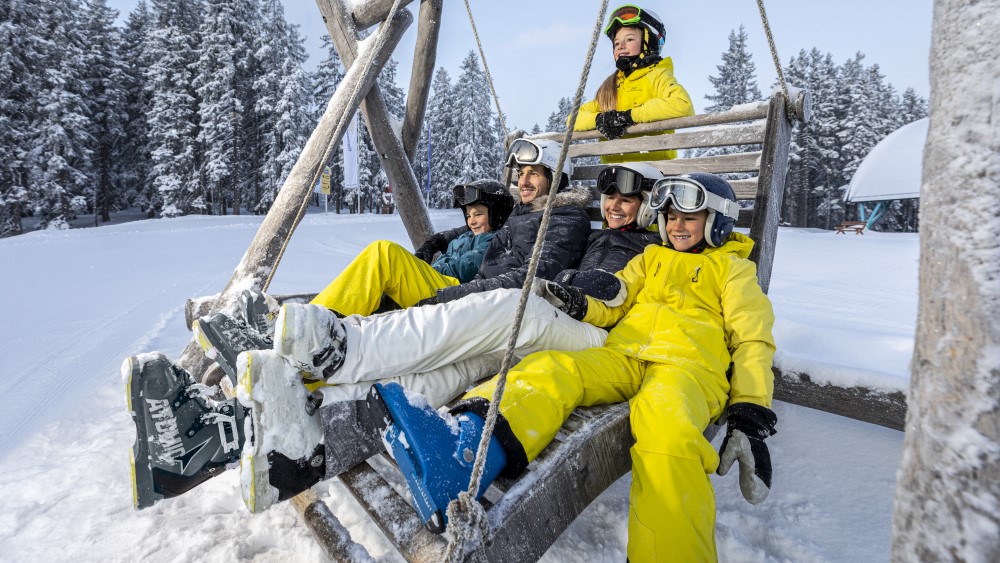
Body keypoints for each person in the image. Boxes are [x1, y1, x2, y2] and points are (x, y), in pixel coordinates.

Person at [125, 138, 594, 510]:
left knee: (417, 360)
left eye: (536, 173)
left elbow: (536, 274)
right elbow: (473, 243)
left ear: (557, 177)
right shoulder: (521, 216)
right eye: (523, 173)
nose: (526, 181)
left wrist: (448, 295)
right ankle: (220, 436)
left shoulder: (564, 216)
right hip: (487, 314)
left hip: (508, 316)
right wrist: (441, 254)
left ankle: (293, 363)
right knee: (416, 363)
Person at [369, 172, 777, 560]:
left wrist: (751, 410)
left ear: (719, 222)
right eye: (671, 218)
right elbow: (617, 300)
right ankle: (464, 450)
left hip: (687, 368)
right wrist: (583, 303)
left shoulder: (734, 271)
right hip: (624, 355)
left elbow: (752, 339)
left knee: (668, 438)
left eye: (689, 218)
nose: (677, 226)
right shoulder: (651, 257)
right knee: (551, 369)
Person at [232, 162, 667, 513]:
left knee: (507, 306)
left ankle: (343, 350)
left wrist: (585, 287)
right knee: (459, 365)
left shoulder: (651, 249)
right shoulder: (588, 230)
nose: (615, 206)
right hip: (558, 317)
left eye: (628, 200)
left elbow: (602, 287)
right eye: (611, 197)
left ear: (649, 209)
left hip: (591, 332)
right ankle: (316, 427)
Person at [572, 4, 694, 162]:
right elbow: (573, 119)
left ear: (648, 43)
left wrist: (630, 116)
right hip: (613, 175)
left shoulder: (657, 76)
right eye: (616, 43)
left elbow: (683, 105)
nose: (621, 46)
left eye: (629, 39)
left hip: (653, 171)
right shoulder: (611, 87)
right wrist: (600, 119)